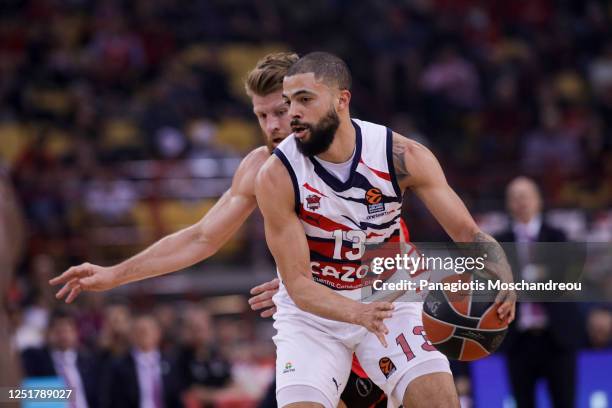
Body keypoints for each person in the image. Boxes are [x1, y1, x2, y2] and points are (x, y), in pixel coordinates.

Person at [49, 52, 390, 407]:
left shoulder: (371, 151)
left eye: (280, 112)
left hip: (389, 304)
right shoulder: (262, 166)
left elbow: (424, 249)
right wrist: (114, 274)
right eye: (261, 115)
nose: (272, 126)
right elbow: (202, 237)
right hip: (321, 322)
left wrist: (321, 279)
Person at [253, 52, 515, 408]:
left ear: (341, 100)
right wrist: (355, 313)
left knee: (439, 400)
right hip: (313, 315)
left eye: (305, 100)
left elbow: (467, 233)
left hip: (388, 296)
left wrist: (502, 272)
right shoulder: (276, 174)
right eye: (289, 102)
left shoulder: (401, 155)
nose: (293, 113)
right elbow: (298, 285)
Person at [495, 176, 581, 408]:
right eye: (515, 197)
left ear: (538, 200)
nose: (521, 202)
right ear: (508, 204)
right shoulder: (499, 243)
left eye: (525, 196)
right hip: (518, 340)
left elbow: (560, 283)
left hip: (557, 337)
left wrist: (519, 282)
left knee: (565, 401)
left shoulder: (558, 237)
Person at [21, 308, 100, 408]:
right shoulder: (35, 359)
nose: (63, 336)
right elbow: (13, 394)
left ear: (76, 333)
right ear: (48, 333)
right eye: (58, 331)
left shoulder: (88, 361)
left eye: (67, 330)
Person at [100, 314, 183, 408]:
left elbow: (177, 397)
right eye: (140, 331)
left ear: (158, 333)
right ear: (132, 335)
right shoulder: (119, 366)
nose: (145, 333)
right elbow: (111, 399)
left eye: (149, 330)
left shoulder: (171, 363)